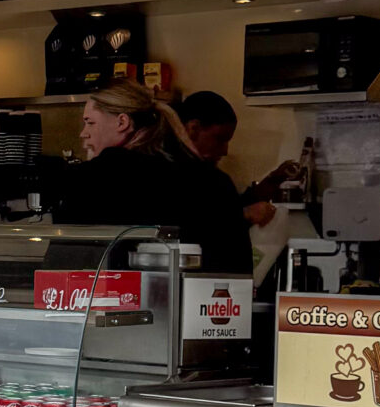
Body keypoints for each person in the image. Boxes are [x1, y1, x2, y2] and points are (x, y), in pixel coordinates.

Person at [53, 78, 252, 272]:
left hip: (113, 300)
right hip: (204, 302)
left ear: (122, 122)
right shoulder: (213, 180)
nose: (83, 133)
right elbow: (237, 267)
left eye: (90, 122)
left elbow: (63, 268)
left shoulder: (92, 180)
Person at [178, 88, 279, 230]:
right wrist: (243, 214)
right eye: (220, 139)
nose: (225, 150)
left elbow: (228, 205)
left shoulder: (213, 177)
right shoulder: (164, 172)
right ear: (193, 129)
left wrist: (273, 180)